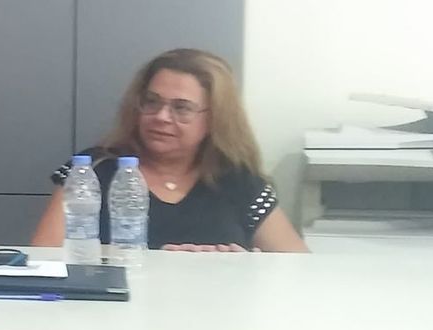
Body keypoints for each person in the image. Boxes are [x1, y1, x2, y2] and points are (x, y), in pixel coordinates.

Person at [31, 48, 309, 253]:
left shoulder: (240, 182)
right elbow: (44, 257)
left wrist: (245, 267)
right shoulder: (91, 170)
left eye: (181, 108)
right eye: (152, 102)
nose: (161, 117)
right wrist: (156, 263)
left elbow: (299, 271)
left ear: (215, 118)